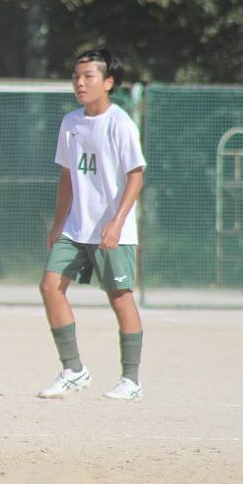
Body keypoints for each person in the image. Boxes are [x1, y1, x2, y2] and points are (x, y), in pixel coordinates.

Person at [38, 48, 147, 401]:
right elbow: (67, 176)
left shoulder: (120, 123)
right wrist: (58, 222)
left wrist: (116, 223)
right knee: (50, 287)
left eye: (88, 76)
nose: (80, 83)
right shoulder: (70, 122)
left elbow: (136, 176)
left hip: (112, 231)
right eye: (76, 77)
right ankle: (74, 370)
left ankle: (131, 380)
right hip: (76, 227)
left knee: (120, 298)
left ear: (109, 82)